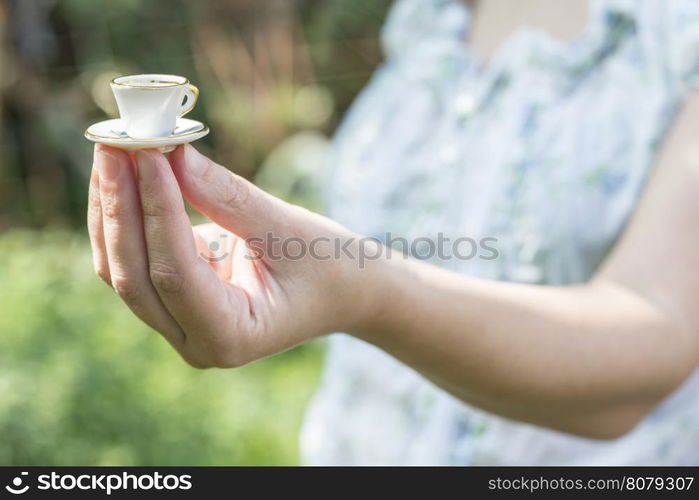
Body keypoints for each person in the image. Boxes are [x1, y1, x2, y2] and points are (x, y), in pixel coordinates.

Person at [87, 0, 699, 465]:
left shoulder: (672, 35)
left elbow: (654, 333)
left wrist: (368, 293)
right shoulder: (426, 21)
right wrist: (271, 255)